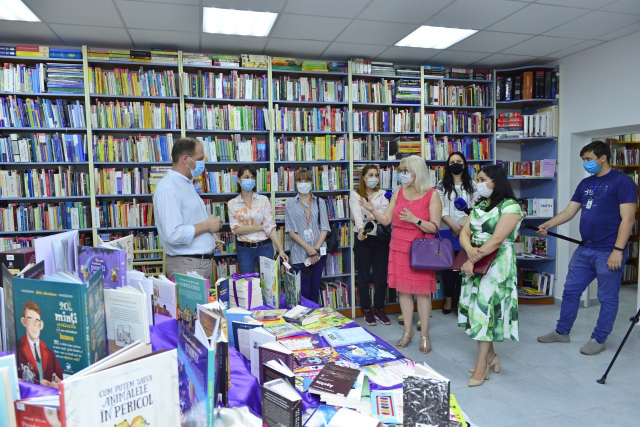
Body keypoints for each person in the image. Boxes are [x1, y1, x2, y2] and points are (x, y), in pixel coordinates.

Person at [537, 141, 637, 355]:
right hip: (585, 249)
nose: (586, 163)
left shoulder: (622, 182)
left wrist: (617, 250)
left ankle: (599, 339)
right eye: (583, 160)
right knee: (571, 291)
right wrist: (548, 224)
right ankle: (562, 332)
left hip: (609, 251)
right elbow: (569, 211)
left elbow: (627, 219)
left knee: (607, 298)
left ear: (603, 158)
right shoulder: (585, 184)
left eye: (589, 159)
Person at [360, 155, 442, 354]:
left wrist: (415, 220)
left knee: (422, 293)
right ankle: (408, 331)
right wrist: (373, 212)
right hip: (398, 246)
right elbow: (387, 220)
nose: (401, 174)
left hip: (420, 249)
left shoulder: (432, 195)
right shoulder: (398, 192)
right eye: (401, 170)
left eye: (405, 171)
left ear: (417, 172)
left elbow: (435, 227)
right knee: (404, 292)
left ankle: (424, 335)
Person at [458, 165, 522, 387]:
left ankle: (481, 366)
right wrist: (469, 251)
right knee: (479, 310)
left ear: (496, 181)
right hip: (476, 259)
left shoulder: (511, 206)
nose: (478, 183)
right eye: (477, 179)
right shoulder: (480, 204)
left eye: (482, 179)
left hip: (496, 264)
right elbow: (464, 233)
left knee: (484, 312)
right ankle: (492, 357)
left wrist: (471, 258)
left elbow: (496, 239)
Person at [154, 137, 223, 281]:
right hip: (187, 266)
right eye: (200, 158)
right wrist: (207, 226)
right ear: (185, 159)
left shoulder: (186, 183)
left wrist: (210, 238)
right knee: (189, 305)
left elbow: (189, 221)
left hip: (195, 264)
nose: (202, 163)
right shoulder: (169, 188)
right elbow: (173, 234)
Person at [436, 151, 478, 314]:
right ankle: (448, 299)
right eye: (452, 161)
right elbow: (439, 206)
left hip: (467, 231)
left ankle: (462, 300)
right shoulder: (441, 184)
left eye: (458, 161)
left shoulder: (473, 184)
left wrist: (462, 224)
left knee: (463, 268)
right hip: (447, 230)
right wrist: (453, 224)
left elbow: (476, 207)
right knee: (447, 267)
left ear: (464, 164)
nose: (455, 164)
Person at [350, 164, 391, 326]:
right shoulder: (355, 195)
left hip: (381, 238)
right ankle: (367, 310)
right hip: (363, 238)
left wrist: (370, 215)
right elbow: (356, 215)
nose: (374, 178)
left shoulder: (384, 194)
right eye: (370, 175)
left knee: (381, 276)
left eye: (376, 175)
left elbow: (387, 215)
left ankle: (379, 308)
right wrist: (361, 228)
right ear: (364, 177)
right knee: (364, 276)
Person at [229, 165, 288, 273]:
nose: (250, 180)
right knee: (248, 284)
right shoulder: (232, 204)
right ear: (238, 180)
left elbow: (270, 227)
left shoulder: (263, 200)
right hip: (244, 249)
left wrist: (280, 250)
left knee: (269, 285)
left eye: (252, 177)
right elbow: (236, 230)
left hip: (265, 246)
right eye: (246, 177)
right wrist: (261, 227)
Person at [285, 170, 331, 303]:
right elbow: (291, 231)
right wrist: (308, 249)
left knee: (315, 287)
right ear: (295, 183)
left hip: (318, 252)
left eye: (306, 181)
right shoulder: (290, 203)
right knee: (303, 289)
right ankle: (303, 318)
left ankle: (314, 319)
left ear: (311, 182)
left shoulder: (319, 202)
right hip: (299, 252)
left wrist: (315, 250)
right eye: (300, 181)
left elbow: (325, 228)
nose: (303, 184)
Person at [17, 301, 63, 388]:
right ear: (24, 322)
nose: (34, 325)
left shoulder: (49, 353)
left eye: (37, 321)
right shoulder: (17, 348)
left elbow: (62, 381)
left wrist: (54, 385)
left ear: (41, 325)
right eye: (30, 320)